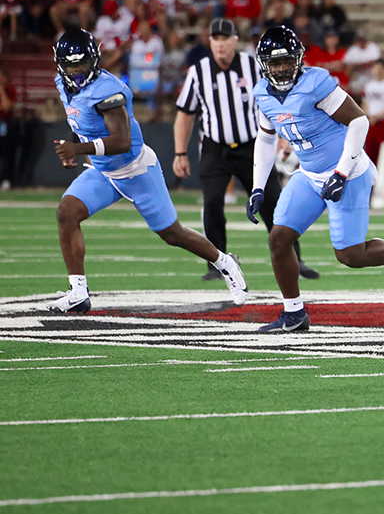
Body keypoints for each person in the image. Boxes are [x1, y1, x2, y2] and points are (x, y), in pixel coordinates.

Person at [247, 25, 384, 332]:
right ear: (264, 64)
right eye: (275, 62)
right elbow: (265, 139)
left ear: (298, 59)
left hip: (346, 171)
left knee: (350, 255)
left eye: (286, 61)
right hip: (308, 174)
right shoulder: (261, 93)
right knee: (278, 239)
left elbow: (359, 121)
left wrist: (341, 172)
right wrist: (257, 186)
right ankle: (294, 313)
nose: (281, 68)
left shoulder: (315, 83)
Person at [50, 28, 248, 313]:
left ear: (95, 61)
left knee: (172, 234)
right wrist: (73, 143)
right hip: (104, 172)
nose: (78, 72)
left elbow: (122, 141)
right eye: (72, 66)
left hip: (135, 169)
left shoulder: (108, 90)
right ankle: (78, 292)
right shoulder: (63, 83)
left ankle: (225, 262)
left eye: (83, 65)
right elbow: (77, 116)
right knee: (66, 212)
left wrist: (78, 150)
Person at [173, 18, 319, 280]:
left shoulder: (254, 66)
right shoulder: (199, 71)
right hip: (214, 148)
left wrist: (285, 135)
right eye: (214, 38)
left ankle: (295, 259)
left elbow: (279, 97)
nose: (219, 44)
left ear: (234, 41)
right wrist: (180, 152)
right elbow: (185, 114)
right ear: (210, 42)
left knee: (273, 203)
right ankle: (218, 265)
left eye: (224, 38)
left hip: (252, 147)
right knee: (213, 204)